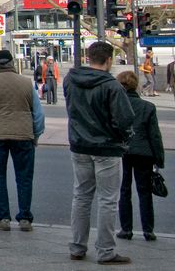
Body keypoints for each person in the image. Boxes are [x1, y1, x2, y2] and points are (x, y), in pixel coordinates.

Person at [64, 41, 135, 264]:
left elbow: (71, 109)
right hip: (107, 147)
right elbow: (124, 119)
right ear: (109, 60)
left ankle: (77, 246)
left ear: (88, 57)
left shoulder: (71, 80)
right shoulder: (112, 86)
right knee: (107, 200)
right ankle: (106, 250)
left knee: (81, 196)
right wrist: (123, 138)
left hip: (79, 144)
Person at [0, 49, 45, 232]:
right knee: (24, 178)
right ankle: (25, 218)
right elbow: (38, 114)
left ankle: (3, 217)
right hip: (23, 135)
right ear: (12, 62)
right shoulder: (26, 83)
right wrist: (36, 134)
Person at [115, 71, 165, 242]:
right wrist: (159, 159)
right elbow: (155, 136)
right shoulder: (148, 107)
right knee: (144, 192)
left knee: (124, 190)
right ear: (135, 85)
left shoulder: (117, 106)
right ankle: (148, 230)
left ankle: (126, 229)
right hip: (144, 152)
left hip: (123, 151)